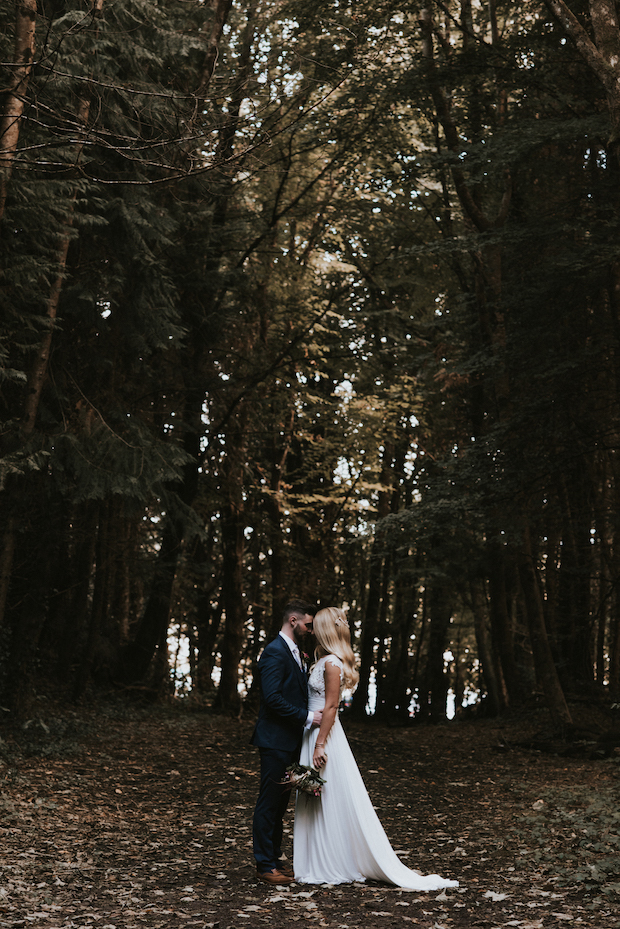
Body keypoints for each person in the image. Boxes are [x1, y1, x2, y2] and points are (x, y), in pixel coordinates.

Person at [293, 606, 459, 891]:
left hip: (324, 735)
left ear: (325, 630)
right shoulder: (324, 660)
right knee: (315, 797)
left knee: (326, 796)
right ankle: (315, 858)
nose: (313, 630)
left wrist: (320, 743)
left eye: (317, 625)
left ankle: (331, 860)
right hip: (312, 733)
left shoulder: (331, 663)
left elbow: (331, 706)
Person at [251, 599, 322, 885]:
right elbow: (272, 699)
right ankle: (265, 865)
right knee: (269, 803)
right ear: (293, 621)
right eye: (308, 624)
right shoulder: (274, 652)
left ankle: (275, 858)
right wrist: (307, 717)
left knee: (280, 805)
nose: (310, 630)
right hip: (274, 739)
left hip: (290, 740)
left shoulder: (295, 653)